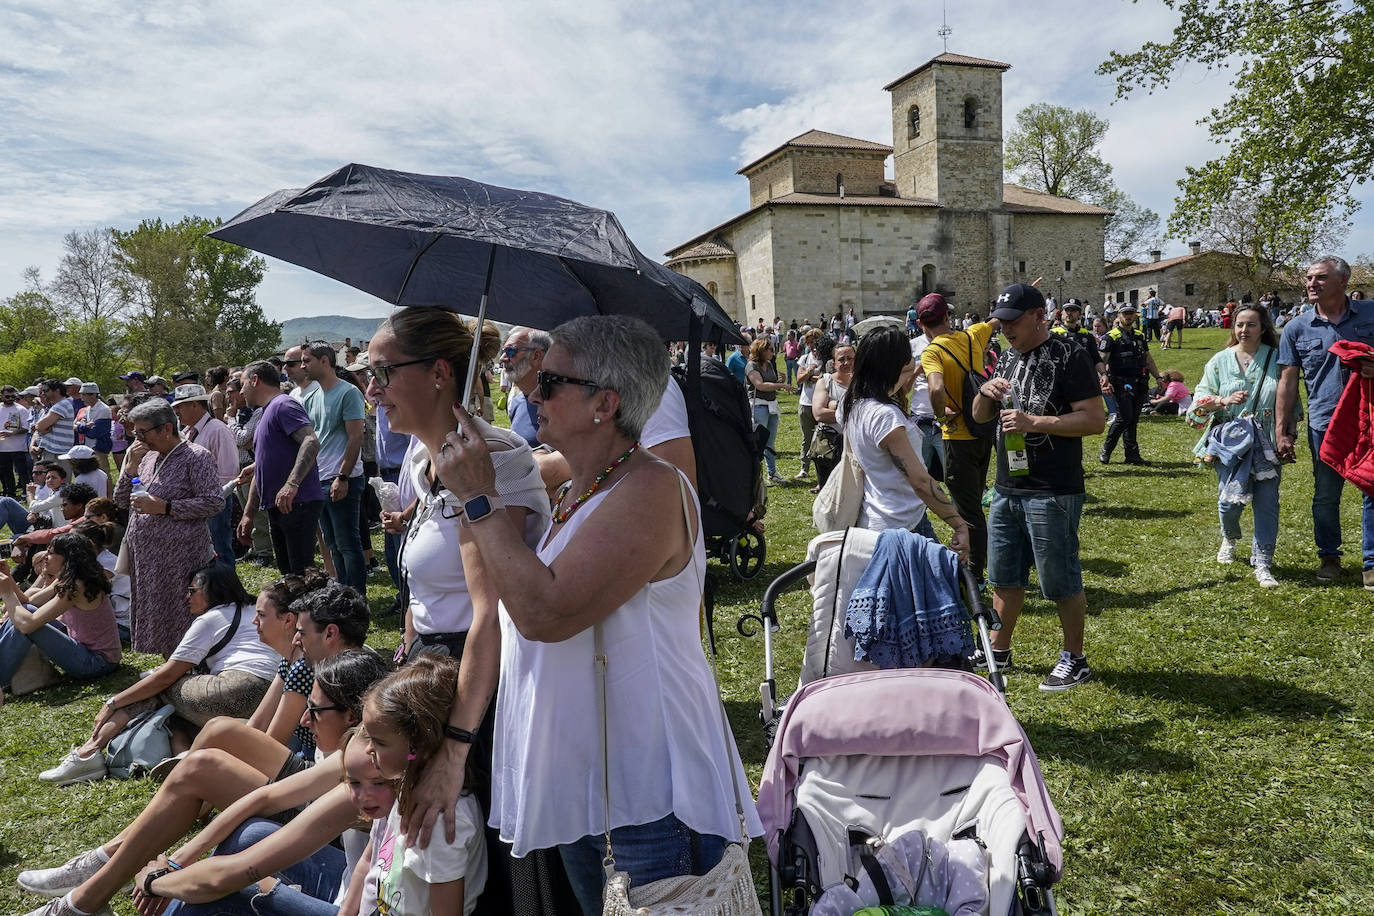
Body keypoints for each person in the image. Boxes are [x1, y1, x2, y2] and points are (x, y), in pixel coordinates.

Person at [436, 315, 762, 916]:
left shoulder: (650, 489)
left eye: (552, 380)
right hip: (592, 787)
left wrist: (479, 498)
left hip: (644, 796)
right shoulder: (581, 493)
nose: (534, 392)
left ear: (604, 403)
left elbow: (544, 612)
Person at [366, 306, 551, 913]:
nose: (373, 390)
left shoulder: (492, 461)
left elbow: (491, 613)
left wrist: (455, 748)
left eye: (384, 373)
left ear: (440, 372)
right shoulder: (425, 462)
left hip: (478, 691)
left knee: (480, 860)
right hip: (434, 673)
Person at [16, 649, 391, 916]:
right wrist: (178, 864)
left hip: (348, 887)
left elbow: (223, 877)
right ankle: (102, 867)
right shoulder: (358, 746)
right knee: (232, 795)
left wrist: (158, 881)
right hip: (347, 875)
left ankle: (85, 898)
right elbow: (265, 797)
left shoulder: (370, 778)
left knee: (222, 877)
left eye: (314, 710)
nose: (305, 720)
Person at [972, 283, 1106, 691]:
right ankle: (1000, 649)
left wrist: (1035, 423)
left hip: (1053, 488)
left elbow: (1094, 420)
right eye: (1001, 322)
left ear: (1037, 316)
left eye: (1013, 321)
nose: (1006, 329)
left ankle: (1075, 658)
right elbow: (980, 417)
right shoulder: (1007, 359)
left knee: (1059, 578)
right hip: (1007, 487)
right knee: (1004, 576)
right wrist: (984, 391)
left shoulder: (1070, 355)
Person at [38, 561, 278, 785]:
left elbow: (165, 677)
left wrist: (113, 702)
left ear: (211, 590)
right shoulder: (252, 611)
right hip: (271, 697)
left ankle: (88, 753)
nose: (187, 597)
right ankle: (183, 755)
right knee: (174, 710)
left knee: (158, 690)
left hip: (236, 686)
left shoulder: (212, 618)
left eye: (192, 590)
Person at [348, 656, 488, 915]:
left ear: (417, 745)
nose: (368, 749)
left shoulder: (441, 823)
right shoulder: (408, 786)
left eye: (379, 742)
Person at [1276, 255, 1374, 586]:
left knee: (1372, 490)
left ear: (1343, 281)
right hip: (1325, 423)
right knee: (1326, 494)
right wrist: (1282, 429)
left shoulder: (1372, 313)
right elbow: (1288, 381)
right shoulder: (1296, 327)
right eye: (1308, 278)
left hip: (1370, 420)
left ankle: (1372, 564)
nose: (1311, 283)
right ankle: (1329, 557)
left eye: (1319, 277)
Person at [115, 397, 226, 656]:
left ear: (166, 428)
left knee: (180, 612)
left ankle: (188, 665)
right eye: (135, 432)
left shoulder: (196, 457)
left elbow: (214, 502)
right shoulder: (145, 457)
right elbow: (121, 501)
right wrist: (130, 468)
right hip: (148, 557)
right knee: (157, 611)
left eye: (143, 432)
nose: (139, 438)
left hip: (180, 557)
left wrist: (167, 507)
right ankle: (168, 664)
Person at [841, 326, 971, 546]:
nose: (913, 357)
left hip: (877, 514)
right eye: (908, 354)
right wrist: (959, 524)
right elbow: (920, 481)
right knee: (934, 579)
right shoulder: (885, 416)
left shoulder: (853, 403)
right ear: (895, 365)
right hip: (902, 523)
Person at [1188, 303, 1285, 587]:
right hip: (1231, 444)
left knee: (1267, 504)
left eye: (1251, 324)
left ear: (1263, 328)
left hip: (1267, 443)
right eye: (1240, 324)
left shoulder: (1277, 359)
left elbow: (1290, 402)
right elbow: (1197, 404)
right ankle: (1229, 537)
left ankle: (1263, 562)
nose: (1244, 330)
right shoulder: (1219, 360)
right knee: (1229, 503)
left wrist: (1286, 434)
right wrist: (1221, 401)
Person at [919, 293, 1001, 584]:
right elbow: (995, 320)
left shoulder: (932, 352)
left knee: (968, 513)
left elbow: (936, 388)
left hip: (957, 438)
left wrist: (941, 416)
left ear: (921, 324)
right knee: (974, 501)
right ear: (947, 317)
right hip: (982, 429)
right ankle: (982, 564)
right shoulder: (972, 336)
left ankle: (975, 574)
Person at [0, 532, 119, 694]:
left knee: (28, 623)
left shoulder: (77, 585)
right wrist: (8, 578)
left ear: (68, 557)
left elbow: (28, 625)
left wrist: (7, 593)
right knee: (27, 611)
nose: (45, 557)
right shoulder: (69, 577)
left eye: (51, 553)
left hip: (96, 662)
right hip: (84, 650)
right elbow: (29, 601)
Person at [238, 360, 325, 575]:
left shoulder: (283, 405)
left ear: (255, 380)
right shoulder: (267, 412)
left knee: (301, 575)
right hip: (280, 506)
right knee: (289, 575)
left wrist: (292, 483)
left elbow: (310, 441)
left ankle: (311, 610)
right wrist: (248, 514)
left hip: (297, 503)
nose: (241, 391)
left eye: (242, 384)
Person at [300, 343, 367, 592]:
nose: (303, 366)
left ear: (325, 361)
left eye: (307, 361)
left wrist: (343, 476)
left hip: (341, 478)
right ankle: (342, 592)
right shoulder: (310, 396)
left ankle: (356, 597)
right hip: (319, 479)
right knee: (332, 543)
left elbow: (355, 437)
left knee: (348, 544)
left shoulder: (348, 393)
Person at [172, 384, 240, 565]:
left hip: (214, 501)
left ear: (195, 405)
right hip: (196, 503)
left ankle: (225, 590)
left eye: (180, 406)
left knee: (219, 549)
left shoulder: (218, 430)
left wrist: (209, 499)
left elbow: (229, 472)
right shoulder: (187, 432)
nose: (176, 411)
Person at [1098, 302, 1163, 465]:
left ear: (1135, 316)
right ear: (1118, 316)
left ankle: (1132, 455)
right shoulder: (1111, 336)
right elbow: (1101, 360)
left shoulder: (1140, 336)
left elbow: (1147, 358)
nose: (1128, 316)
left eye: (1131, 313)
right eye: (1124, 313)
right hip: (1120, 383)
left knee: (1133, 419)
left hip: (1140, 382)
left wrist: (1158, 377)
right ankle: (1106, 449)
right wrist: (1104, 378)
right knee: (1124, 417)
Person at [747, 336, 797, 484]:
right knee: (758, 443)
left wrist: (779, 381)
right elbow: (760, 385)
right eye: (770, 349)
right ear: (761, 350)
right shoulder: (751, 366)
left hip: (772, 406)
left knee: (770, 442)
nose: (773, 352)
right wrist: (781, 385)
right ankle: (755, 474)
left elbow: (770, 383)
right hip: (759, 406)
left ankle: (772, 472)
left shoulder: (768, 364)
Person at [809, 343, 854, 490]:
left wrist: (834, 405)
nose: (846, 362)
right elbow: (819, 413)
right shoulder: (826, 382)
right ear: (833, 363)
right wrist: (853, 413)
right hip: (829, 446)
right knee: (828, 491)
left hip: (856, 445)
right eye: (841, 359)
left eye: (850, 358)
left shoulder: (862, 384)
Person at [499, 326, 552, 448]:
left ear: (536, 356)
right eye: (503, 352)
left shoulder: (559, 403)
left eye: (510, 351)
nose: (502, 358)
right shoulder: (516, 402)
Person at [794, 329, 824, 480]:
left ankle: (823, 469)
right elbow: (799, 380)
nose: (812, 346)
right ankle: (804, 468)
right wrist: (809, 372)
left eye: (814, 342)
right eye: (809, 343)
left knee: (823, 438)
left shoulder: (827, 359)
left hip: (822, 403)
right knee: (807, 438)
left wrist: (818, 377)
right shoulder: (805, 359)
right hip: (806, 403)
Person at [32, 380, 77, 473]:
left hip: (59, 452)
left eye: (46, 390)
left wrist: (40, 428)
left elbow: (39, 426)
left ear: (57, 391)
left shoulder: (62, 405)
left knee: (61, 483)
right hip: (53, 450)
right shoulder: (55, 406)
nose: (43, 394)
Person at [0, 385, 32, 498]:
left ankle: (25, 493)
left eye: (13, 396)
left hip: (18, 447)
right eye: (7, 396)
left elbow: (26, 428)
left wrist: (12, 433)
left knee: (22, 472)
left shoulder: (21, 409)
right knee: (5, 472)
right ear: (1, 396)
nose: (10, 399)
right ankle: (10, 492)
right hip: (2, 446)